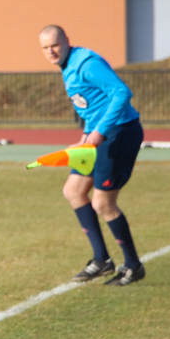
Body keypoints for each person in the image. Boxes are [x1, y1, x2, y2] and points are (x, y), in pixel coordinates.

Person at [38, 24, 145, 286]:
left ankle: (133, 266)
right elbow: (94, 105)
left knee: (103, 204)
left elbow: (121, 93)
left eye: (55, 45)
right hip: (98, 136)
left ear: (66, 41)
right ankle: (102, 260)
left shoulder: (86, 63)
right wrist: (87, 135)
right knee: (73, 191)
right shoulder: (67, 66)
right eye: (45, 48)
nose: (51, 51)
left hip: (119, 134)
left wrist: (100, 131)